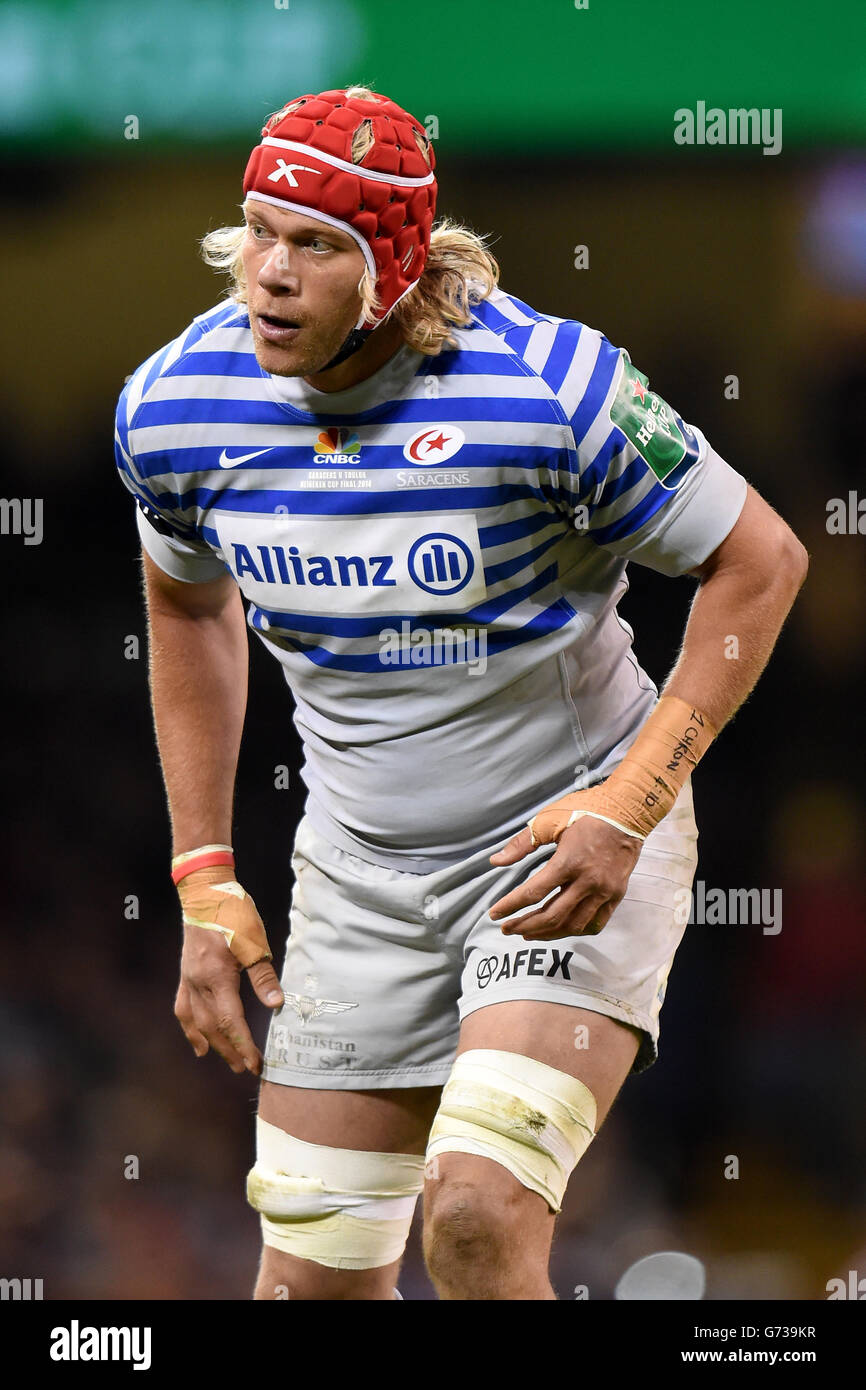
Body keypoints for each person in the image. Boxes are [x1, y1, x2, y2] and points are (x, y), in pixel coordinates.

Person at [114, 85, 808, 1300]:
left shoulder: (551, 387)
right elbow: (184, 604)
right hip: (358, 876)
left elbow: (761, 560)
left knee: (477, 1219)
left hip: (563, 840)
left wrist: (628, 803)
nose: (268, 273)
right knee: (306, 1288)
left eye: (315, 244)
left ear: (390, 262)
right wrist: (204, 873)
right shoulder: (179, 405)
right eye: (258, 230)